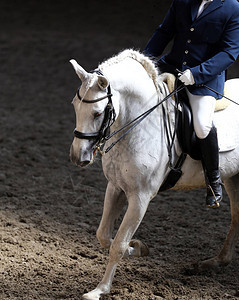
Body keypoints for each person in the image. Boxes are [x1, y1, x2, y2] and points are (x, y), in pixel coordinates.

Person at [144, 0, 239, 208]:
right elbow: (164, 32)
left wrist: (196, 74)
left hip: (205, 79)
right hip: (172, 67)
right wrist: (144, 61)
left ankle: (213, 182)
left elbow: (229, 52)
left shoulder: (232, 7)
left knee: (202, 124)